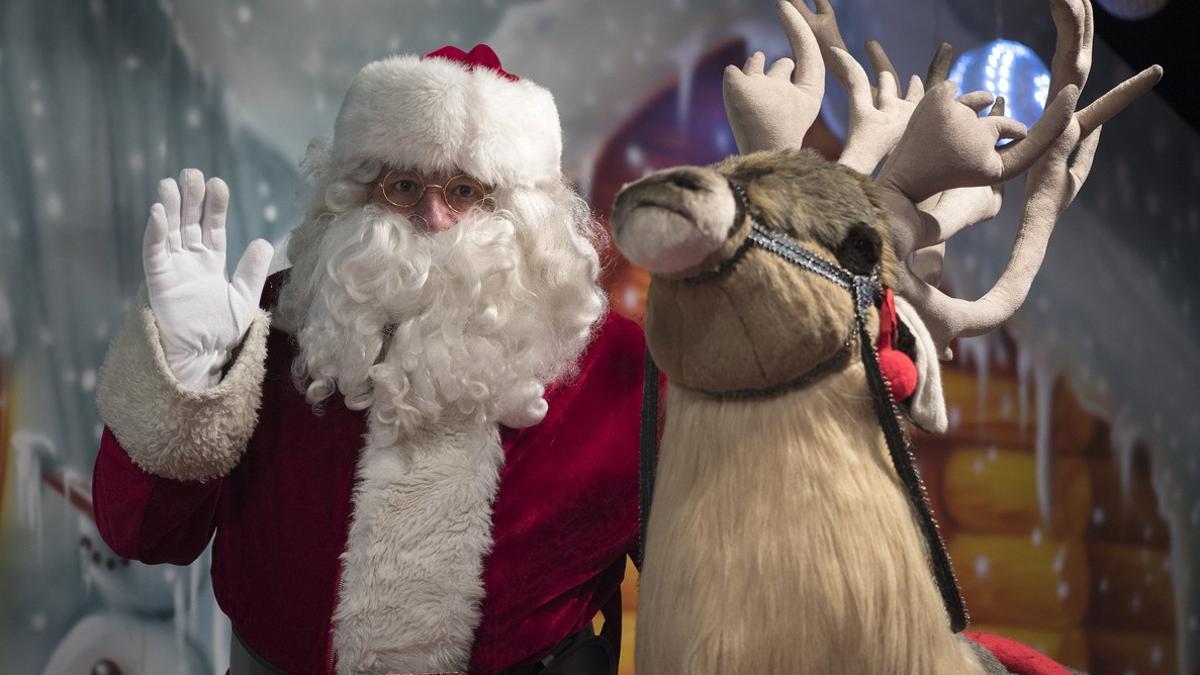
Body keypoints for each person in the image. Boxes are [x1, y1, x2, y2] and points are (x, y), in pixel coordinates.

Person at [92, 44, 646, 675]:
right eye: (403, 185)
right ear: (352, 196)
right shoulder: (271, 323)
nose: (434, 217)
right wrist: (190, 373)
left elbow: (712, 560)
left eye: (466, 190)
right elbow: (141, 535)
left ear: (525, 208)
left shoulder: (616, 366)